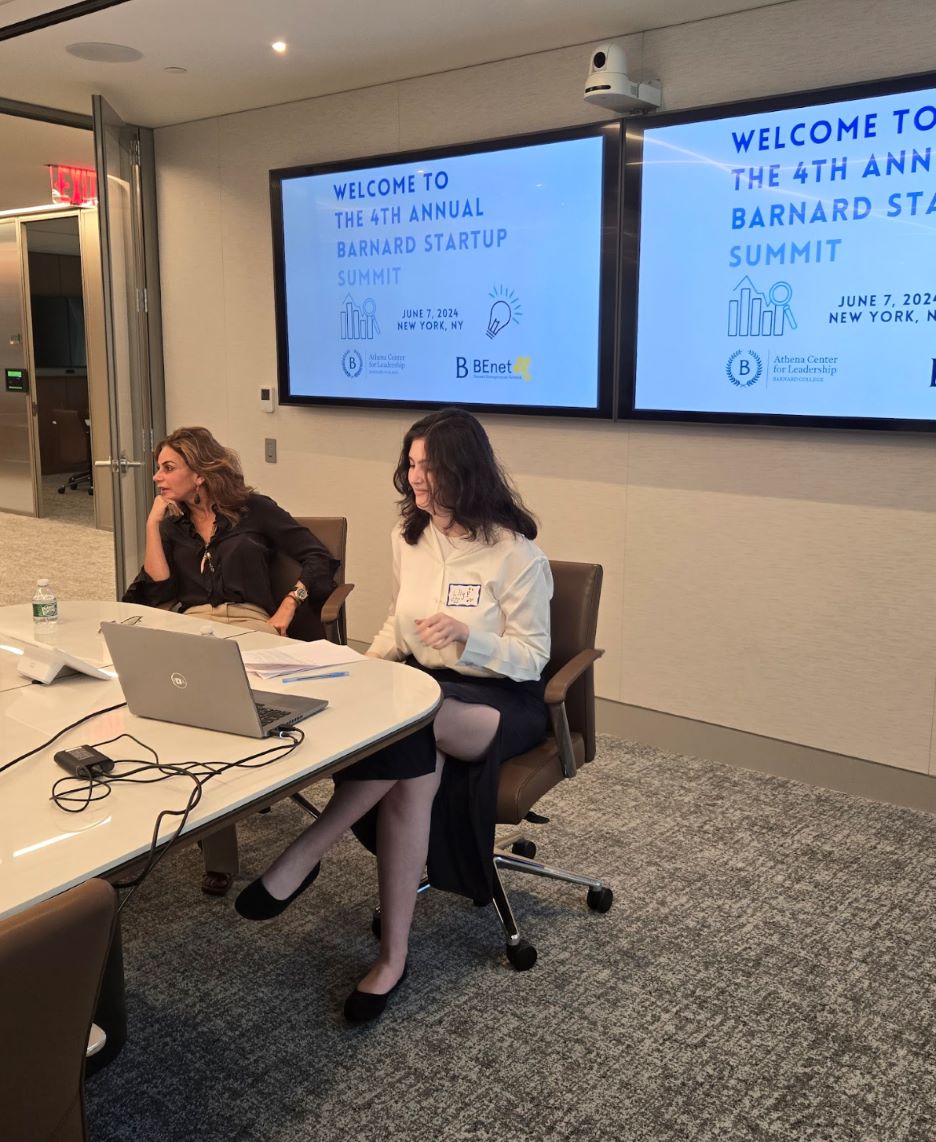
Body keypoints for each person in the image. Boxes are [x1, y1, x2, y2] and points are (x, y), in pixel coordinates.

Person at [235, 407, 552, 1023]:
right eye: (411, 466)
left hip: (499, 700)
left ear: (467, 472)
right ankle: (393, 957)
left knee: (415, 722)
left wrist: (469, 637)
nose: (417, 481)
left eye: (430, 468)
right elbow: (396, 626)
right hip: (426, 690)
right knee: (413, 765)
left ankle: (309, 848)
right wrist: (364, 666)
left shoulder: (516, 555)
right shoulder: (411, 539)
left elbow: (533, 659)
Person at [124, 426, 339, 894]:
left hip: (250, 628)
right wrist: (151, 525)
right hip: (193, 629)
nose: (157, 478)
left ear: (199, 474)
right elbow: (156, 591)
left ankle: (221, 849)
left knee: (207, 714)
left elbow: (319, 557)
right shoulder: (172, 525)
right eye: (158, 468)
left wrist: (288, 606)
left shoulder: (254, 512)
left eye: (168, 468)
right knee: (157, 700)